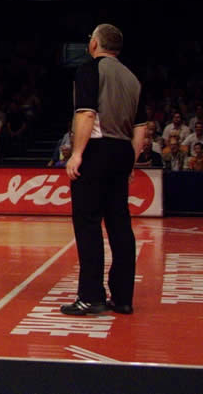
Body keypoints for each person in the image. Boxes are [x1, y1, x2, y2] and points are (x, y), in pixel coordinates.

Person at [62, 24, 146, 316]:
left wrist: (77, 154)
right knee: (120, 224)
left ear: (95, 43)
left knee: (88, 224)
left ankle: (91, 295)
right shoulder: (133, 78)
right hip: (123, 150)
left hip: (97, 149)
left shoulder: (89, 70)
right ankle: (123, 298)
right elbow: (141, 129)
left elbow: (87, 113)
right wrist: (131, 163)